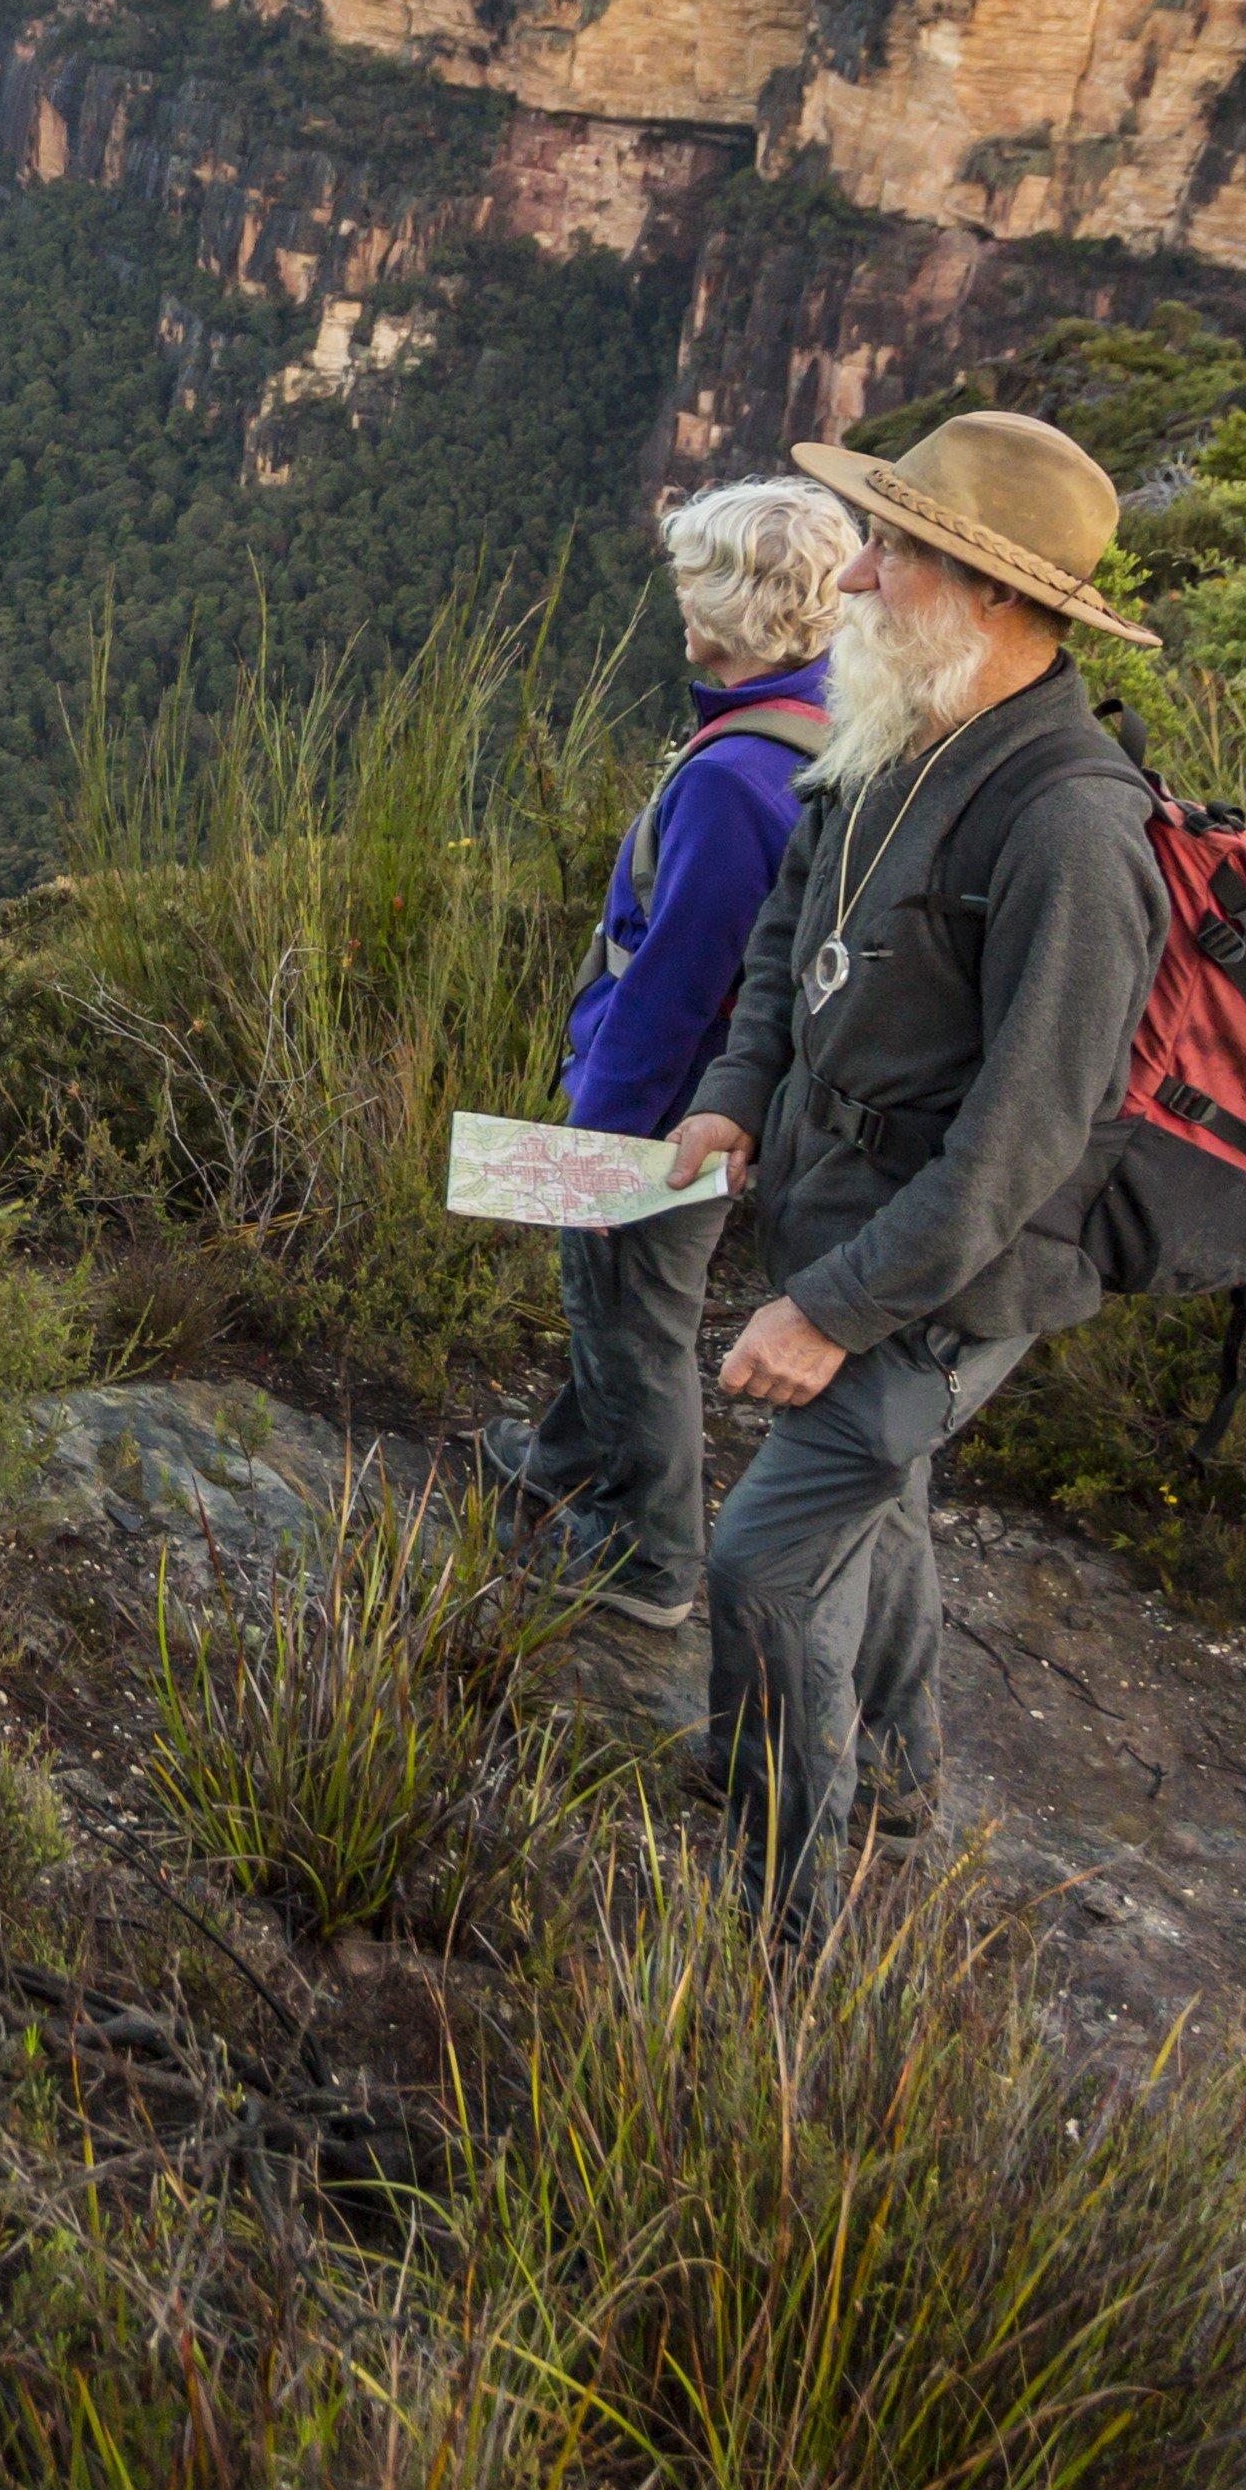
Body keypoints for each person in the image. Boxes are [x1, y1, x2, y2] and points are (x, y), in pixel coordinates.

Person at [660, 410, 1166, 1931]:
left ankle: (785, 1917)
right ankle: (896, 1772)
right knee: (879, 1506)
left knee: (757, 1566)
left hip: (943, 1283)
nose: (859, 577)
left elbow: (1023, 1141)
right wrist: (739, 1092)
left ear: (998, 597)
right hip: (844, 1214)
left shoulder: (1075, 827)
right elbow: (785, 924)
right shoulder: (896, 721)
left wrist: (827, 1313)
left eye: (898, 552)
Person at [482, 476, 857, 1627]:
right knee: (614, 1302)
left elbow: (677, 981)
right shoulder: (831, 719)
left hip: (664, 1115)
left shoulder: (733, 779)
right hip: (726, 1101)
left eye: (690, 579)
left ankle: (645, 1558)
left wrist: (597, 1124)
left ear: (722, 611)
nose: (676, 598)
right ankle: (556, 1463)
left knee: (629, 1309)